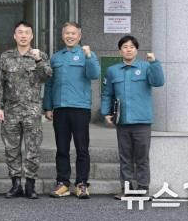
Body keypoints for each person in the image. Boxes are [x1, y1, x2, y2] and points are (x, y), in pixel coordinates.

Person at [101, 35, 164, 199]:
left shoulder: (146, 67)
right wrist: (106, 112)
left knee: (142, 157)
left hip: (142, 120)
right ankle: (127, 188)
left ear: (136, 50)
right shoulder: (113, 70)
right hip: (122, 121)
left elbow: (158, 82)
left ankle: (143, 188)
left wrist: (154, 63)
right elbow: (107, 93)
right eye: (125, 47)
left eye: (131, 47)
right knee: (125, 157)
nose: (128, 50)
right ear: (120, 50)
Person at [0, 21, 52, 200]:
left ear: (32, 36)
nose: (23, 35)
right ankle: (16, 184)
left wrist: (39, 60)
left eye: (27, 32)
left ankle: (30, 185)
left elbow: (47, 75)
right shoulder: (5, 57)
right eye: (20, 32)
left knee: (32, 149)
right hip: (10, 110)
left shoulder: (40, 55)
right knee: (11, 149)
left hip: (32, 111)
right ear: (14, 35)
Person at [44, 21, 100, 199]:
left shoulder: (87, 55)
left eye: (73, 33)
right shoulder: (56, 57)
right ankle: (63, 183)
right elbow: (50, 83)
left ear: (79, 36)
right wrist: (48, 106)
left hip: (80, 107)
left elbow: (94, 74)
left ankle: (82, 183)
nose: (70, 36)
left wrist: (89, 56)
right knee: (62, 148)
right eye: (67, 33)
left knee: (82, 148)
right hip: (60, 107)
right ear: (62, 36)